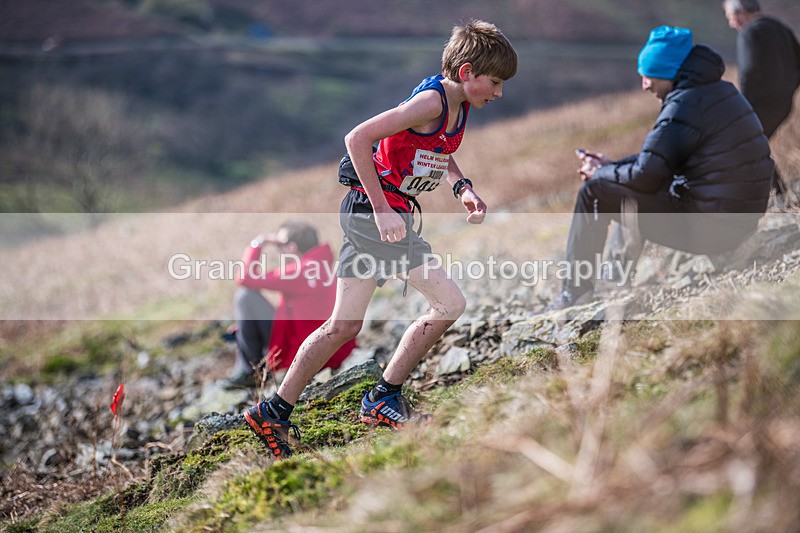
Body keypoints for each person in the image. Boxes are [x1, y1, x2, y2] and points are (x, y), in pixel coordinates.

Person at [244, 19, 518, 459]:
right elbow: (357, 138)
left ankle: (273, 410)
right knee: (450, 304)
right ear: (467, 72)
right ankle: (382, 398)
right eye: (496, 82)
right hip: (375, 217)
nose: (500, 92)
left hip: (376, 216)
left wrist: (463, 188)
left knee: (344, 325)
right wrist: (382, 208)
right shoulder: (431, 100)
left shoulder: (458, 105)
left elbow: (440, 152)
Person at [550, 25, 774, 309]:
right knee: (621, 187)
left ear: (667, 72)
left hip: (715, 229)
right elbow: (660, 161)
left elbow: (647, 175)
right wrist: (611, 166)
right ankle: (612, 283)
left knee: (595, 191)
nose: (644, 85)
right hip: (737, 221)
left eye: (647, 75)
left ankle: (573, 295)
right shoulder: (716, 92)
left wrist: (600, 173)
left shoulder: (685, 104)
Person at [228, 219, 356, 389]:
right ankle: (249, 366)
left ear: (292, 247)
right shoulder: (323, 264)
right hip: (333, 349)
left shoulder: (300, 271)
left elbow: (245, 278)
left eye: (279, 244)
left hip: (304, 348)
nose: (277, 248)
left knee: (245, 297)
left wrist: (257, 243)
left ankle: (250, 373)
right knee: (244, 322)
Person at [722, 0, 800, 198]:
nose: (732, 24)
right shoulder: (780, 28)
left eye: (731, 18)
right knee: (754, 146)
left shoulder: (750, 32)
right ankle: (780, 194)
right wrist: (788, 89)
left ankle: (778, 196)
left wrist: (741, 106)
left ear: (740, 12)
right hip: (783, 104)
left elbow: (749, 72)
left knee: (746, 146)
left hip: (758, 103)